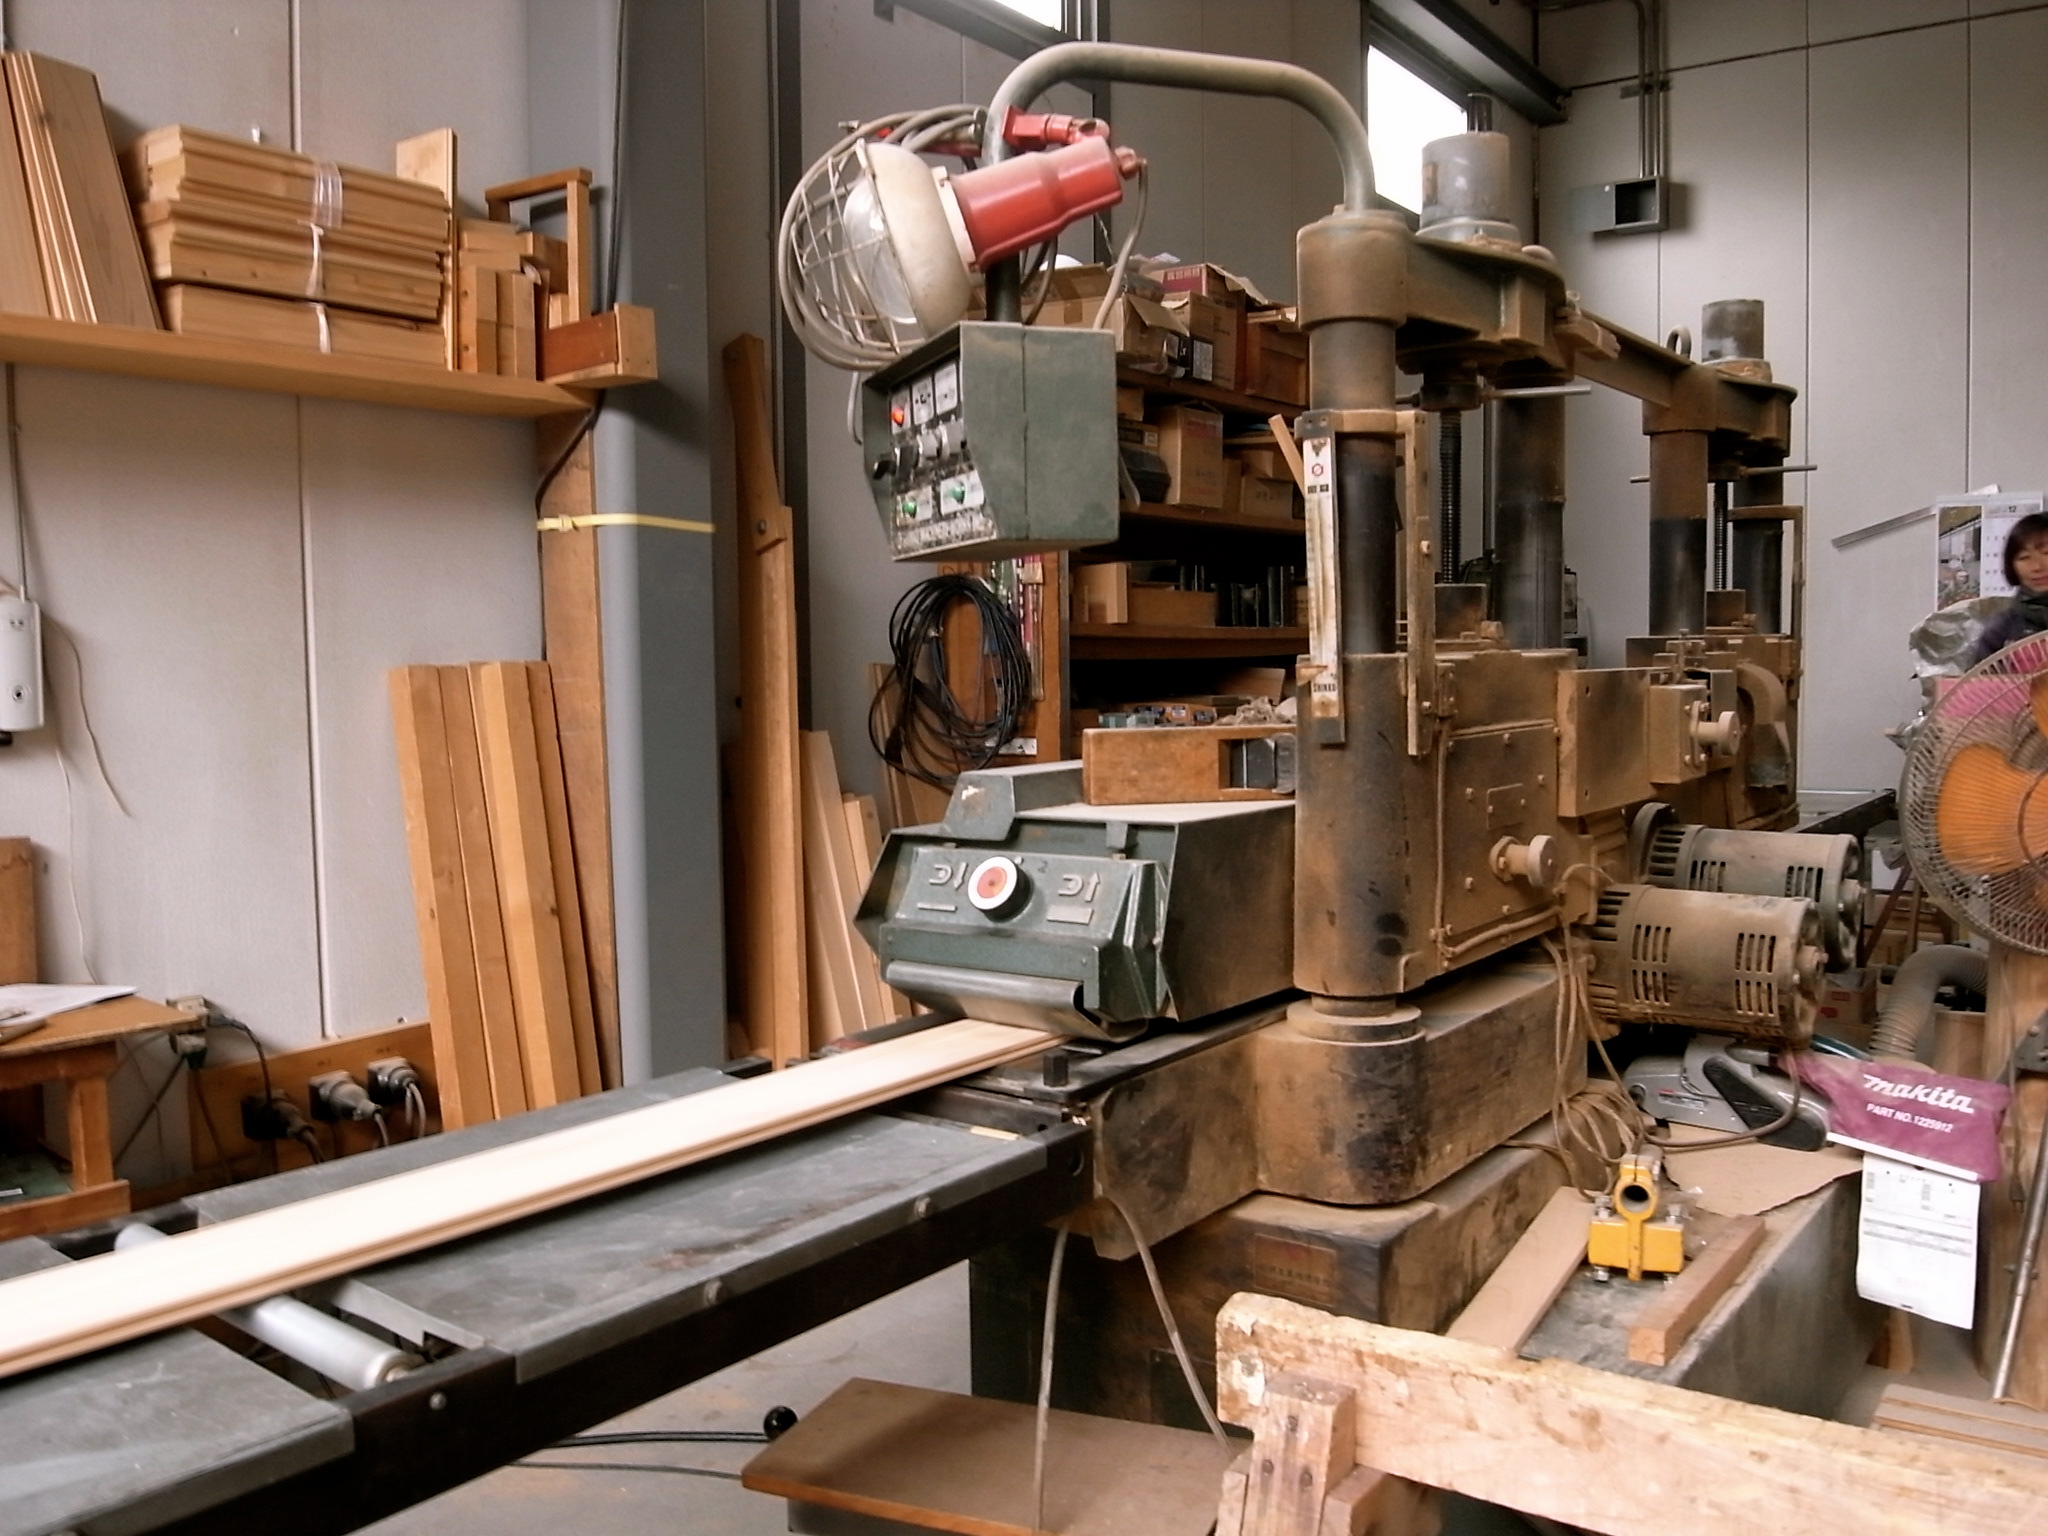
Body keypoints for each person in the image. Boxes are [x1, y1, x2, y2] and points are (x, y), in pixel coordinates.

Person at [1965, 511, 2048, 668]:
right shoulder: (2003, 629)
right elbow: (1977, 688)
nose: (2037, 566)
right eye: (2024, 557)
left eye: (2046, 553)